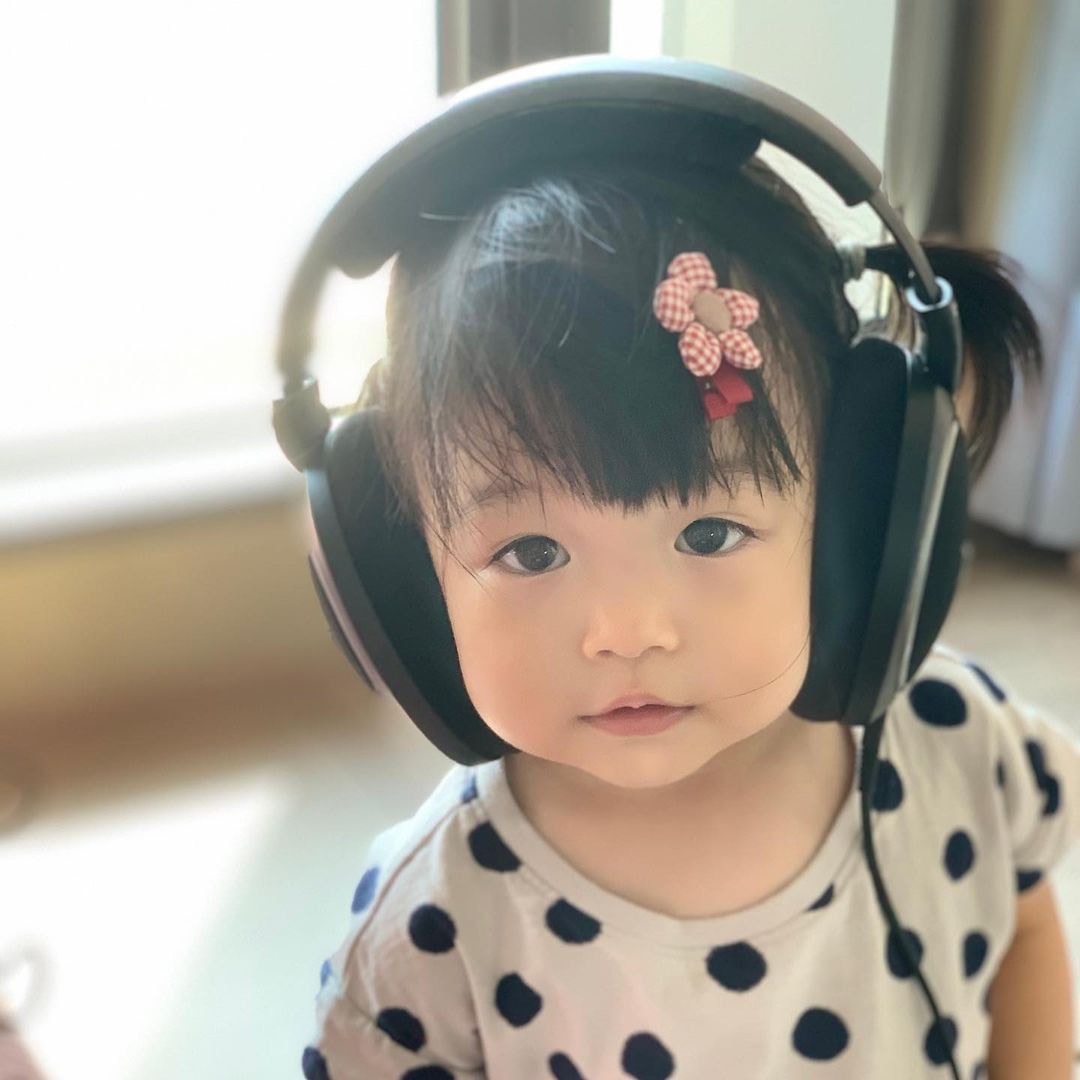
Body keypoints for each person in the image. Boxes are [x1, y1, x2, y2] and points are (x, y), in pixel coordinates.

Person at [298, 101, 1080, 1079]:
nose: (627, 632)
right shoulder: (428, 925)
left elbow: (1023, 928)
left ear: (853, 520)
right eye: (532, 552)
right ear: (404, 571)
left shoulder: (961, 744)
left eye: (709, 533)